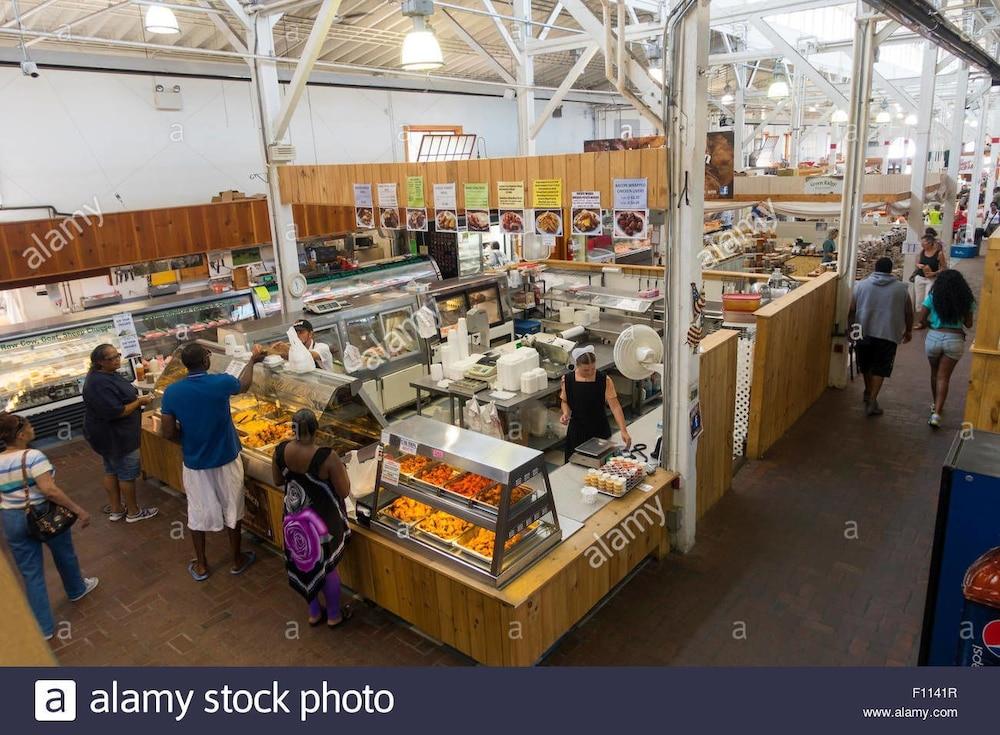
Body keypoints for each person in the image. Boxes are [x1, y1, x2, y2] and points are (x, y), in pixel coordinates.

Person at [160, 343, 265, 581]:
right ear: (206, 361)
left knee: (197, 512)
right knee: (233, 507)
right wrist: (253, 360)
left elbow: (166, 432)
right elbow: (244, 385)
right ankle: (237, 559)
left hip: (195, 463)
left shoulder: (173, 392)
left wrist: (189, 440)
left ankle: (201, 564)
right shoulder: (221, 382)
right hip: (227, 457)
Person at [0, 413, 96, 640]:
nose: (33, 427)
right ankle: (76, 589)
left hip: (11, 518)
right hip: (43, 513)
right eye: (29, 425)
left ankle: (43, 628)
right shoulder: (34, 457)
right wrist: (78, 510)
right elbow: (49, 490)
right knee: (64, 553)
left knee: (30, 572)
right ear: (21, 434)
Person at [271, 409, 352, 628]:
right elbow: (344, 491)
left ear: (293, 429)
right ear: (316, 430)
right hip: (322, 522)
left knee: (305, 564)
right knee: (327, 566)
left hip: (294, 518)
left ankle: (314, 612)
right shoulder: (327, 457)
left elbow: (277, 480)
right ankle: (334, 615)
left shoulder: (280, 451)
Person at [81, 344, 158, 523]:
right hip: (118, 436)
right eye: (112, 358)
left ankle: (116, 509)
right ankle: (133, 512)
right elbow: (117, 412)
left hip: (104, 435)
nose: (117, 360)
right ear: (100, 362)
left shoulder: (103, 375)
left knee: (111, 470)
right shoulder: (100, 383)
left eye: (118, 355)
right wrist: (140, 402)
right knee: (127, 474)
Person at [849, 257, 913, 417]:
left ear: (874, 268)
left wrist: (850, 329)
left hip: (862, 331)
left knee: (865, 364)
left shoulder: (861, 285)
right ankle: (872, 399)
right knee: (881, 367)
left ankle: (868, 390)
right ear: (891, 270)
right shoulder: (901, 288)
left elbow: (851, 309)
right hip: (888, 333)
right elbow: (909, 312)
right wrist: (909, 330)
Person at [917, 269, 975, 428]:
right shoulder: (966, 300)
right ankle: (937, 414)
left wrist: (929, 324)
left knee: (934, 374)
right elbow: (969, 324)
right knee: (944, 378)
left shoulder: (933, 297)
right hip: (954, 339)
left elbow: (921, 319)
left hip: (934, 337)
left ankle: (935, 405)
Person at [559, 346, 630, 463]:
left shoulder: (604, 380)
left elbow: (615, 406)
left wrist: (623, 430)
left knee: (602, 465)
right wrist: (565, 413)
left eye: (593, 368)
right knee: (575, 466)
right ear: (577, 366)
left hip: (599, 430)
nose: (591, 372)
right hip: (577, 431)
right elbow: (564, 401)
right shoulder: (567, 380)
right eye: (586, 370)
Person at [268, 319, 334, 371]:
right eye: (295, 333)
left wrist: (289, 350)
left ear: (310, 334)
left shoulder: (322, 347)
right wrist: (275, 351)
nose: (297, 336)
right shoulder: (293, 349)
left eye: (301, 332)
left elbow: (308, 356)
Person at [912, 234, 946, 320]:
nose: (922, 245)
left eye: (924, 243)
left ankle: (926, 318)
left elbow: (943, 267)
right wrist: (918, 265)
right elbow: (916, 262)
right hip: (920, 277)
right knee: (919, 300)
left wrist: (934, 273)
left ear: (930, 243)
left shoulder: (939, 253)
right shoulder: (922, 251)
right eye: (922, 243)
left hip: (931, 279)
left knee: (928, 299)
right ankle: (920, 319)